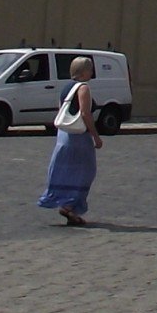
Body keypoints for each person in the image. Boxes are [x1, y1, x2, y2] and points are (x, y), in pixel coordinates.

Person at [38, 55, 103, 226]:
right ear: (83, 72)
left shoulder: (66, 88)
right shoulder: (83, 88)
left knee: (67, 169)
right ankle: (70, 206)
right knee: (86, 171)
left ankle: (66, 203)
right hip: (78, 137)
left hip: (63, 135)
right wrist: (95, 136)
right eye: (90, 69)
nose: (92, 72)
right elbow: (84, 113)